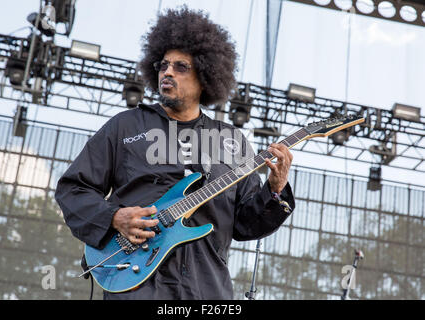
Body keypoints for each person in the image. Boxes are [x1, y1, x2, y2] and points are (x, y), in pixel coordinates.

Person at [55, 6, 295, 300]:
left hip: (206, 289)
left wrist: (275, 188)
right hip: (135, 284)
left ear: (205, 76)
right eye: (163, 65)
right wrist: (114, 217)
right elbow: (73, 189)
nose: (167, 72)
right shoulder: (126, 126)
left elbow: (247, 224)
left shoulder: (232, 141)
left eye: (181, 67)